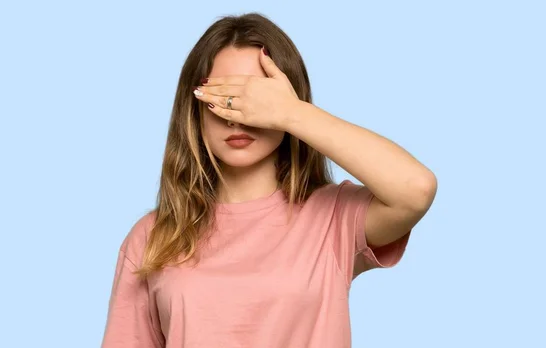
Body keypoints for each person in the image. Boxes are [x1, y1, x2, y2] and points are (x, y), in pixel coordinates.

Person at [101, 12, 437, 348]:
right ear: (195, 109)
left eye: (254, 99)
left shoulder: (333, 218)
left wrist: (291, 113)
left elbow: (415, 189)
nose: (237, 118)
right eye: (222, 99)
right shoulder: (152, 236)